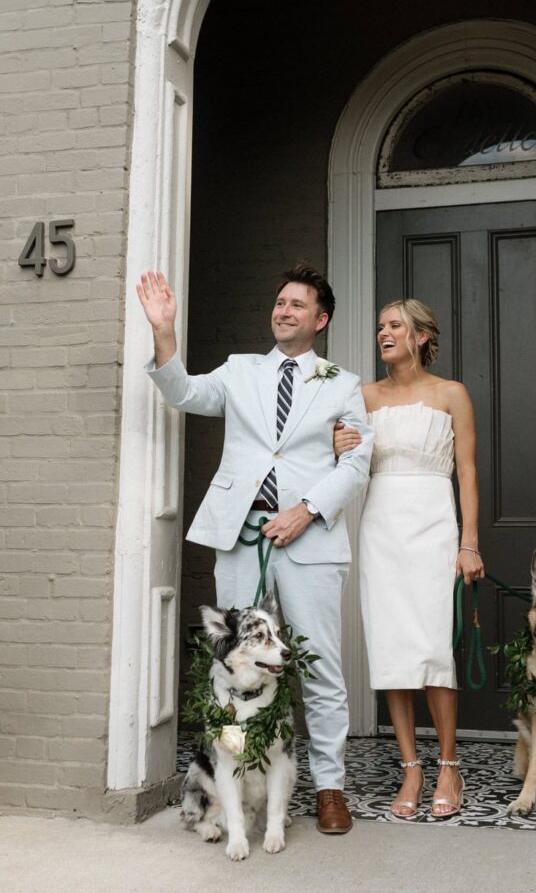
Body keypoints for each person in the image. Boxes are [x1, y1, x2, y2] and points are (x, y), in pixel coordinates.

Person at [137, 263, 373, 835]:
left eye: (297, 304)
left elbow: (358, 461)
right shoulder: (240, 371)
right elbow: (184, 392)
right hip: (241, 537)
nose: (283, 310)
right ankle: (238, 784)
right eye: (279, 301)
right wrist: (163, 329)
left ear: (320, 319)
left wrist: (306, 510)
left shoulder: (341, 382)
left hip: (310, 539)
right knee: (234, 663)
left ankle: (329, 788)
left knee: (318, 666)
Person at [333, 298, 483, 820]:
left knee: (434, 647)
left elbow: (466, 475)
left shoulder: (451, 394)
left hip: (435, 526)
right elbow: (346, 459)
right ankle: (411, 767)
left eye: (394, 325)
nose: (384, 333)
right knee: (393, 648)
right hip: (381, 527)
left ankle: (448, 764)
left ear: (420, 335)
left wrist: (469, 544)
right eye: (379, 327)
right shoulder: (363, 396)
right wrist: (337, 443)